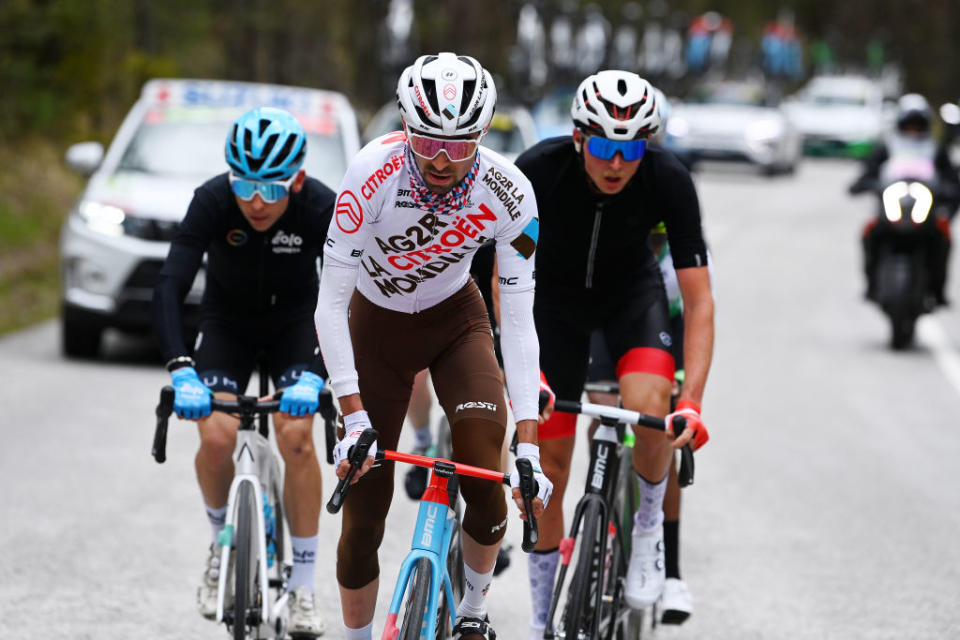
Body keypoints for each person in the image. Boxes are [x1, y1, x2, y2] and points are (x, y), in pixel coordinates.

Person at [314, 52, 552, 640]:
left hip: (457, 321)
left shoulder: (512, 192)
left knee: (483, 468)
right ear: (404, 128)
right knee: (364, 517)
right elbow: (328, 306)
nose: (443, 160)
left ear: (482, 134)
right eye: (426, 143)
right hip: (377, 325)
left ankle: (473, 607)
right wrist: (352, 415)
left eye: (461, 144)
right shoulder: (370, 173)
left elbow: (517, 324)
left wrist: (529, 444)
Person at [513, 70, 714, 639]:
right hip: (552, 306)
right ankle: (538, 615)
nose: (617, 162)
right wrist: (518, 373)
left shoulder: (668, 179)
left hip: (632, 300)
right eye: (603, 145)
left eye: (631, 148)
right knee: (547, 467)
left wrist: (692, 402)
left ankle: (648, 531)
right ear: (578, 138)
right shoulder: (540, 170)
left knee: (651, 404)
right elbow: (499, 277)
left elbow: (699, 302)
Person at [152, 106, 333, 636]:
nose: (256, 201)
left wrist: (318, 374)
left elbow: (350, 296)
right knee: (214, 434)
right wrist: (180, 367)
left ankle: (301, 585)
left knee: (296, 435)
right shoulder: (212, 199)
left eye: (272, 189)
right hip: (227, 322)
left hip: (297, 323)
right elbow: (170, 284)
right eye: (245, 185)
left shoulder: (321, 206)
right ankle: (219, 544)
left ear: (296, 180)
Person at [585, 222, 710, 625]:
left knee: (662, 431)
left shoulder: (681, 262)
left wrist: (679, 393)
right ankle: (599, 502)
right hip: (606, 322)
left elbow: (693, 320)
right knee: (601, 407)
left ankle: (671, 571)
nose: (650, 246)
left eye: (658, 239)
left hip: (665, 330)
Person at [850, 93, 960, 306]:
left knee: (943, 236)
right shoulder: (888, 147)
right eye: (909, 125)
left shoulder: (936, 149)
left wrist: (949, 191)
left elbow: (951, 179)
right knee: (869, 232)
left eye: (917, 125)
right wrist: (865, 183)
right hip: (893, 210)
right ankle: (872, 283)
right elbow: (870, 171)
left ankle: (938, 290)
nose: (913, 130)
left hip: (923, 212)